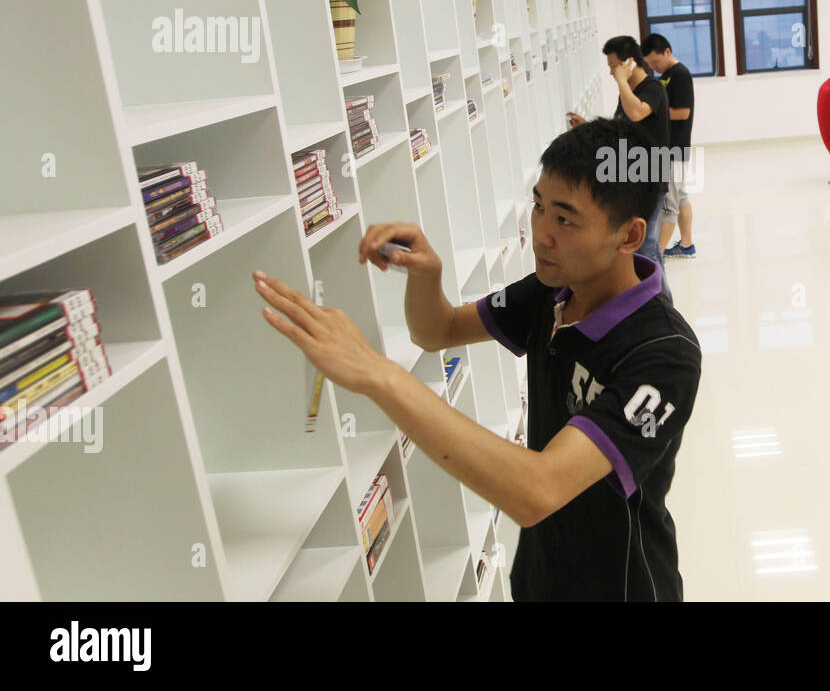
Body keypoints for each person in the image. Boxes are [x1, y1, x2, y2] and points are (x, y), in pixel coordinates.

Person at [252, 118, 702, 600]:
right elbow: (436, 331)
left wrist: (378, 375)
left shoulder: (664, 355)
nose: (541, 234)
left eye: (565, 219)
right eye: (538, 207)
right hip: (542, 574)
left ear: (630, 236)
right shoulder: (552, 292)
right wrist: (428, 276)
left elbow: (538, 490)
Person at [567, 36, 673, 301]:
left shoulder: (652, 88)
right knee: (643, 247)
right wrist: (589, 125)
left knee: (646, 246)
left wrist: (623, 81)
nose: (611, 72)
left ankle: (663, 304)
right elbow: (621, 127)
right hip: (632, 179)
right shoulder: (628, 91)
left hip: (650, 178)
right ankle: (656, 300)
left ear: (629, 63)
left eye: (614, 65)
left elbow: (637, 114)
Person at [643, 33, 696, 258]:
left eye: (656, 61)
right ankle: (686, 244)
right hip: (668, 147)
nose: (654, 67)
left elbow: (683, 112)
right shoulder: (666, 76)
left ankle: (657, 255)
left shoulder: (680, 75)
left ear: (668, 51)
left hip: (674, 148)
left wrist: (651, 112)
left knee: (669, 205)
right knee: (681, 196)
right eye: (650, 64)